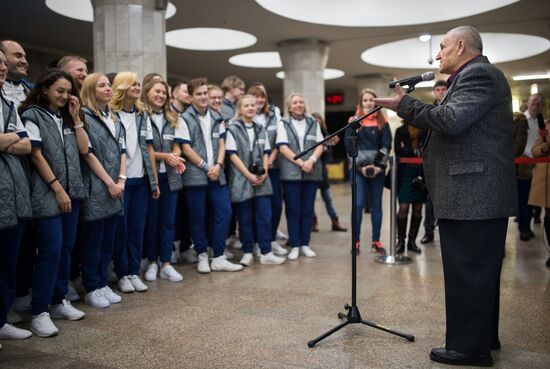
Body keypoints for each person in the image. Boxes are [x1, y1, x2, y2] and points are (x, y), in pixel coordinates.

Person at [374, 25, 517, 366]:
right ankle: (482, 339)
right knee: (477, 272)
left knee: (468, 271)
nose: (437, 54)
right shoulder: (474, 76)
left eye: (442, 47)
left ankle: (469, 349)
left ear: (461, 46)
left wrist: (406, 106)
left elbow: (451, 120)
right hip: (472, 193)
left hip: (474, 194)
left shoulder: (479, 74)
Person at [20, 68, 90, 336]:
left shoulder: (66, 118)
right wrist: (58, 189)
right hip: (47, 193)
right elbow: (36, 156)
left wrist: (76, 117)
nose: (63, 95)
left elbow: (84, 150)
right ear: (45, 88)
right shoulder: (32, 115)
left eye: (67, 91)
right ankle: (39, 311)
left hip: (72, 193)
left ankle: (59, 299)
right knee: (50, 250)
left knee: (66, 249)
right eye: (59, 90)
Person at [180, 77, 243, 273]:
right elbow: (186, 148)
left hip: (217, 174)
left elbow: (222, 144)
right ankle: (201, 255)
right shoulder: (184, 118)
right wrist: (206, 166)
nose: (203, 97)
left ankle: (218, 255)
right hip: (195, 176)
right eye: (198, 94)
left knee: (224, 212)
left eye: (205, 93)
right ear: (191, 98)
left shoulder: (217, 117)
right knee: (198, 217)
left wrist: (217, 165)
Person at [78, 73, 126, 308]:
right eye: (102, 85)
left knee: (108, 239)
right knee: (93, 241)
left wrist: (121, 180)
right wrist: (110, 182)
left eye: (109, 85)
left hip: (117, 185)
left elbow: (123, 152)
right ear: (90, 89)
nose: (108, 88)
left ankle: (103, 282)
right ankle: (91, 286)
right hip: (98, 185)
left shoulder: (114, 117)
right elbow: (88, 154)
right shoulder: (83, 116)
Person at [109, 71, 159, 293]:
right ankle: (121, 273)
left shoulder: (142, 114)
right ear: (121, 87)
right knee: (122, 230)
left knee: (137, 229)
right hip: (121, 181)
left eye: (139, 84)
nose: (137, 87)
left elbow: (149, 148)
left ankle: (133, 271)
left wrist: (154, 181)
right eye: (133, 84)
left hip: (140, 180)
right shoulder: (111, 113)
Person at [225, 95, 285, 265]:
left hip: (261, 179)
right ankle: (247, 251)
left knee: (265, 216)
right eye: (246, 105)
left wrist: (264, 171)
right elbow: (233, 155)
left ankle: (266, 252)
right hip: (242, 178)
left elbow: (266, 152)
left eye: (253, 105)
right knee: (245, 218)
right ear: (240, 109)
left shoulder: (260, 128)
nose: (251, 108)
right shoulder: (233, 128)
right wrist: (248, 175)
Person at [0, 48, 33, 342]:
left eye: (1, 62)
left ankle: (3, 316)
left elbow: (26, 145)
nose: (0, 68)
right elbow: (18, 141)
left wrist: (5, 140)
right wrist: (12, 139)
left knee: (8, 257)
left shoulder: (8, 104)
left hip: (12, 190)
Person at [141, 79, 186, 282]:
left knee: (168, 221)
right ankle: (152, 261)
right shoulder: (141, 116)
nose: (161, 95)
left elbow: (178, 144)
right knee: (152, 220)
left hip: (171, 176)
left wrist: (174, 156)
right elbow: (145, 148)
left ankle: (166, 262)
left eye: (164, 93)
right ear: (147, 93)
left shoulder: (173, 116)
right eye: (157, 91)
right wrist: (165, 156)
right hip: (150, 175)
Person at [276, 92, 324, 260]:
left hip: (312, 172)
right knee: (293, 210)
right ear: (289, 107)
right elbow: (282, 148)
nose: (298, 105)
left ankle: (305, 244)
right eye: (295, 102)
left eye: (301, 102)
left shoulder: (313, 122)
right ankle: (295, 244)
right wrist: (301, 163)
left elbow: (320, 144)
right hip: (291, 174)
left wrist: (311, 160)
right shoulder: (283, 123)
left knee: (307, 210)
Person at [345, 88, 391, 254]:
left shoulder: (383, 123)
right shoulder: (353, 121)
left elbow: (386, 146)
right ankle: (355, 242)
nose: (368, 103)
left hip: (377, 170)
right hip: (358, 170)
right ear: (360, 102)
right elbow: (349, 147)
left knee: (376, 206)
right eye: (365, 100)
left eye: (371, 100)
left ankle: (376, 242)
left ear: (376, 102)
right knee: (358, 205)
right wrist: (361, 167)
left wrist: (378, 166)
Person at [247, 85, 287, 255]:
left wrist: (270, 160)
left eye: (262, 97)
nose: (259, 100)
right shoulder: (247, 116)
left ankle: (270, 239)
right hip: (252, 170)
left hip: (273, 167)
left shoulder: (273, 115)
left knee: (276, 205)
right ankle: (257, 242)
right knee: (256, 207)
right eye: (256, 96)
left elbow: (279, 140)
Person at [394, 121, 428, 254]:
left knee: (418, 208)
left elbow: (425, 151)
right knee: (403, 207)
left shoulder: (425, 131)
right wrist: (414, 151)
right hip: (405, 174)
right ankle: (400, 241)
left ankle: (412, 242)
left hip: (420, 173)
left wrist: (408, 151)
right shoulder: (400, 130)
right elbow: (399, 150)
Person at [421, 80, 448, 244]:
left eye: (443, 89)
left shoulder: (453, 106)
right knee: (430, 202)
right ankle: (428, 232)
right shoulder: (429, 110)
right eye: (437, 90)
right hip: (434, 162)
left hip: (450, 160)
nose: (440, 92)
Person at [311, 112, 347, 232]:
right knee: (310, 199)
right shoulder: (308, 135)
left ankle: (334, 222)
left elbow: (330, 154)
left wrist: (325, 150)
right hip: (310, 170)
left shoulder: (326, 136)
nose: (317, 122)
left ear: (321, 122)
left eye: (318, 120)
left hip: (323, 171)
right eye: (314, 120)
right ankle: (313, 222)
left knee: (328, 198)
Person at [517, 94, 545, 241]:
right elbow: (515, 142)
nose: (536, 103)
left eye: (539, 102)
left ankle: (527, 226)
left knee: (532, 200)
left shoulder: (541, 122)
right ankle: (523, 228)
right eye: (534, 100)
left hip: (538, 165)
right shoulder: (519, 119)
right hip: (523, 165)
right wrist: (529, 155)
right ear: (527, 102)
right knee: (523, 199)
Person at [527, 115, 550, 268]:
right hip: (546, 178)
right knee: (548, 215)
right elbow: (535, 150)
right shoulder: (546, 125)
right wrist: (543, 148)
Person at [0, 40, 31, 108]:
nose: (24, 62)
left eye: (25, 58)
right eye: (18, 56)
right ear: (2, 56)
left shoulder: (32, 93)